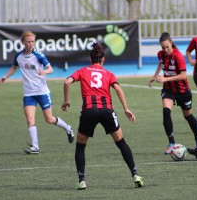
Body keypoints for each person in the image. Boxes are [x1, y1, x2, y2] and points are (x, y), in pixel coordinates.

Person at [61, 43, 144, 190]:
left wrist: (66, 100)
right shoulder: (109, 74)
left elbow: (67, 82)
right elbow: (118, 88)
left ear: (90, 59)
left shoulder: (82, 71)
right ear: (102, 60)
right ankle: (135, 175)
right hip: (107, 111)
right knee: (121, 143)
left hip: (89, 111)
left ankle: (82, 180)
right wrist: (126, 108)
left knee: (80, 146)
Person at [0, 31, 74, 154]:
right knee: (30, 119)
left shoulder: (38, 55)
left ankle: (68, 128)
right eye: (28, 42)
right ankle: (35, 146)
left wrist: (45, 72)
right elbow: (14, 67)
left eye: (33, 41)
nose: (31, 44)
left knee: (49, 119)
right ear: (23, 42)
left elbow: (51, 68)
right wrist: (5, 77)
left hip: (42, 92)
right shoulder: (19, 56)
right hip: (29, 94)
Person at [148, 32, 197, 154]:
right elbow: (161, 63)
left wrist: (165, 78)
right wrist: (155, 76)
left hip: (182, 90)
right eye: (163, 47)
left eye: (167, 47)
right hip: (168, 89)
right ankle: (171, 142)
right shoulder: (160, 54)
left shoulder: (178, 56)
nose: (165, 50)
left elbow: (183, 75)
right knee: (166, 111)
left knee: (187, 115)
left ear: (171, 43)